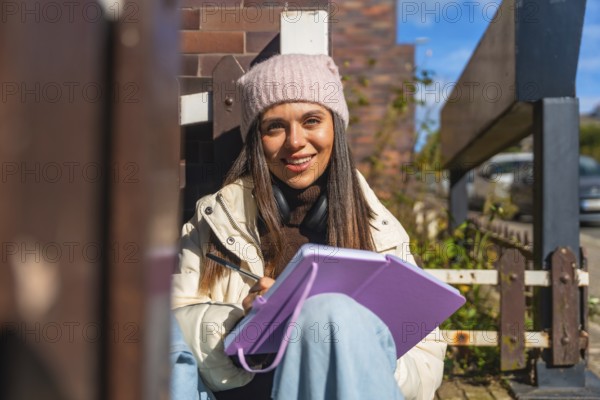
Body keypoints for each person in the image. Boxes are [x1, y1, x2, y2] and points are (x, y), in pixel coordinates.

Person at [171, 53, 446, 400]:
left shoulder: (379, 229)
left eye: (312, 120)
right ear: (257, 140)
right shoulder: (213, 221)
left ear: (335, 127)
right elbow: (172, 332)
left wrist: (357, 345)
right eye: (275, 127)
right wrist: (243, 329)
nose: (295, 141)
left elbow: (426, 360)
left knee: (328, 313)